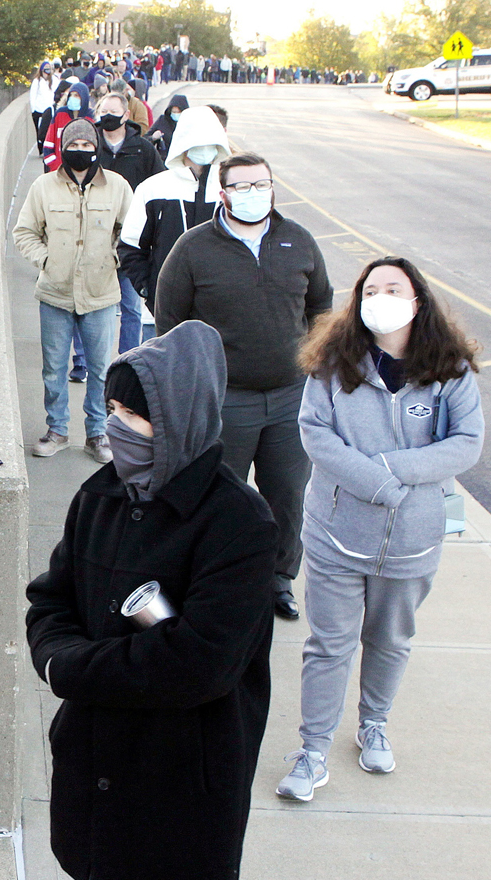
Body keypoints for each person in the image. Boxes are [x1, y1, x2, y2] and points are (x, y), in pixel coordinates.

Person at [26, 322, 305, 880]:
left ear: (181, 418)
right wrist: (59, 657)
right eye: (110, 412)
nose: (118, 429)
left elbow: (198, 666)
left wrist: (75, 669)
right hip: (99, 764)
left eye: (136, 416)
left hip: (189, 773)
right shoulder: (99, 497)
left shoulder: (239, 524)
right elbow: (49, 601)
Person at [277, 257, 483, 801]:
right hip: (336, 533)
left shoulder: (449, 369)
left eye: (394, 288)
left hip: (414, 539)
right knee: (329, 645)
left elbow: (466, 443)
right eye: (371, 289)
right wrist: (378, 484)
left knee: (390, 639)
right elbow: (315, 434)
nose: (381, 297)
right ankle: (313, 749)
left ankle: (374, 725)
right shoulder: (330, 363)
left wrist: (397, 472)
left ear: (417, 301)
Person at [154, 152, 334, 621]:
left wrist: (318, 366)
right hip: (224, 399)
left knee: (287, 496)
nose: (255, 194)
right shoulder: (193, 249)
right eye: (243, 186)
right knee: (219, 495)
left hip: (290, 398)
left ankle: (278, 579)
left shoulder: (299, 240)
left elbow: (321, 307)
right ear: (223, 193)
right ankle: (213, 578)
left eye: (263, 185)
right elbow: (170, 324)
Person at [11, 120, 133, 462]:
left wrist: (114, 257)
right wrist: (45, 259)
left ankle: (98, 433)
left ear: (96, 147)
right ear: (64, 149)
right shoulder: (43, 187)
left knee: (99, 368)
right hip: (55, 293)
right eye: (73, 146)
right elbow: (24, 232)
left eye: (86, 146)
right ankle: (57, 430)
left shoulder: (119, 187)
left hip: (100, 294)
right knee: (53, 366)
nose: (80, 152)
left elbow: (133, 232)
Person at [118, 104, 227, 315]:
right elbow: (130, 247)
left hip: (223, 313)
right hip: (164, 311)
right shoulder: (153, 188)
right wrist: (149, 289)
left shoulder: (230, 188)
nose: (204, 148)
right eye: (198, 141)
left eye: (210, 142)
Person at [93, 92, 163, 361]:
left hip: (132, 240)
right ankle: (89, 360)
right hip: (96, 238)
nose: (107, 117)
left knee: (131, 306)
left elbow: (158, 185)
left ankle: (128, 359)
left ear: (126, 116)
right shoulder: (91, 147)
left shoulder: (143, 149)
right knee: (96, 307)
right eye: (103, 112)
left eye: (113, 112)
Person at [30, 61, 57, 148]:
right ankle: (40, 147)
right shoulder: (37, 81)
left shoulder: (54, 80)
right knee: (39, 131)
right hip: (38, 110)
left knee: (48, 130)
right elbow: (32, 96)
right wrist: (33, 109)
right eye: (46, 67)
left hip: (49, 110)